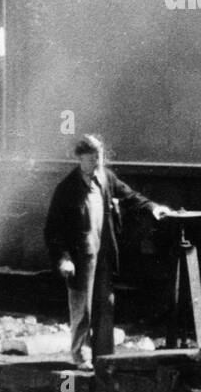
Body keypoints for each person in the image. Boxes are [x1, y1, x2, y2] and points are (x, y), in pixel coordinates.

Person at [44, 135, 170, 369]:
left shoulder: (106, 178)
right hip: (81, 258)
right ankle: (80, 355)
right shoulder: (67, 189)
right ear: (79, 158)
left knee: (105, 304)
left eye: (99, 158)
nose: (97, 163)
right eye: (92, 159)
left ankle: (103, 355)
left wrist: (153, 208)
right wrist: (64, 259)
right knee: (83, 308)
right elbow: (53, 230)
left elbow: (130, 196)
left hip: (103, 253)